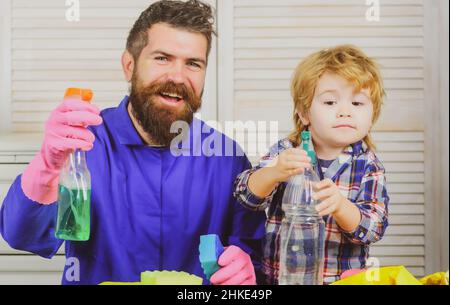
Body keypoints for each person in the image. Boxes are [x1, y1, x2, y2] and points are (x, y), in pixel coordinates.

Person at [0, 0, 265, 285]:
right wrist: (47, 165)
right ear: (129, 65)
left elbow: (255, 254)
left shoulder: (226, 158)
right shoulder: (83, 145)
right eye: (162, 58)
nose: (177, 76)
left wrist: (247, 268)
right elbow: (21, 236)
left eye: (193, 64)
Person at [233, 45, 390, 285]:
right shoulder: (286, 151)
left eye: (358, 104)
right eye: (330, 102)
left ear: (373, 115)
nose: (345, 112)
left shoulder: (369, 165)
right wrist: (274, 173)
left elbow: (373, 228)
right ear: (304, 113)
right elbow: (245, 197)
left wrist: (340, 206)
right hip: (281, 279)